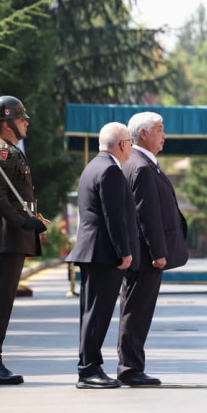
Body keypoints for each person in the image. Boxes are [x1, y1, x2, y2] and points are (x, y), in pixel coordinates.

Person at [0, 96, 47, 385]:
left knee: (2, 302)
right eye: (20, 119)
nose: (26, 122)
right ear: (6, 123)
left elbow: (18, 199)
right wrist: (23, 222)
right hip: (6, 237)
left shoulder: (13, 152)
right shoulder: (3, 153)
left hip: (13, 237)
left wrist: (33, 220)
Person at [65, 123, 139, 389]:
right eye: (130, 142)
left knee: (91, 313)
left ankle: (89, 366)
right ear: (122, 144)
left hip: (93, 252)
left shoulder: (92, 167)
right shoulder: (110, 170)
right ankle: (89, 370)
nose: (131, 147)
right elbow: (113, 216)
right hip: (103, 253)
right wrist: (124, 251)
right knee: (97, 315)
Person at [119, 112, 189, 386]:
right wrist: (158, 252)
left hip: (141, 253)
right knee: (137, 311)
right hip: (146, 255)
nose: (164, 135)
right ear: (143, 134)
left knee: (136, 309)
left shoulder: (140, 162)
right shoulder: (141, 166)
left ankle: (131, 365)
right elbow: (146, 214)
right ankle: (130, 368)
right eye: (160, 129)